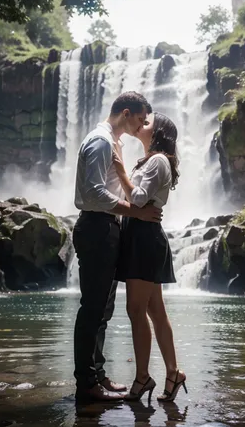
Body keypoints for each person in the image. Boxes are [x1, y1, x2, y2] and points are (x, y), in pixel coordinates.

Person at [73, 91, 163, 403]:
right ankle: (86, 383)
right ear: (126, 113)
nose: (143, 125)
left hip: (106, 228)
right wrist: (136, 211)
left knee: (103, 311)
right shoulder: (101, 141)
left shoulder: (115, 143)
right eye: (140, 119)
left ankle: (96, 375)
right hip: (97, 227)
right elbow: (96, 193)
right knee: (92, 309)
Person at [112, 112, 187, 403]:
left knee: (135, 309)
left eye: (148, 121)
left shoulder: (157, 161)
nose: (142, 122)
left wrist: (119, 171)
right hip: (142, 236)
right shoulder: (151, 160)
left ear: (159, 132)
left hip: (144, 238)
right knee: (156, 311)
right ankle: (174, 373)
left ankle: (143, 378)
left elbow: (138, 199)